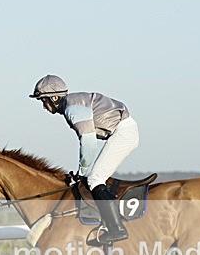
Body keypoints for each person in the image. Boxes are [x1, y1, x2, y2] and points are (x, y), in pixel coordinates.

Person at [29, 74, 139, 244]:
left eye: (44, 101)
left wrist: (83, 172)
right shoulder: (72, 103)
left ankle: (116, 229)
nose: (44, 106)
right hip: (122, 130)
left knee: (95, 178)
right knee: (93, 177)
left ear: (55, 98)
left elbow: (88, 141)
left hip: (123, 132)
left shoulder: (72, 109)